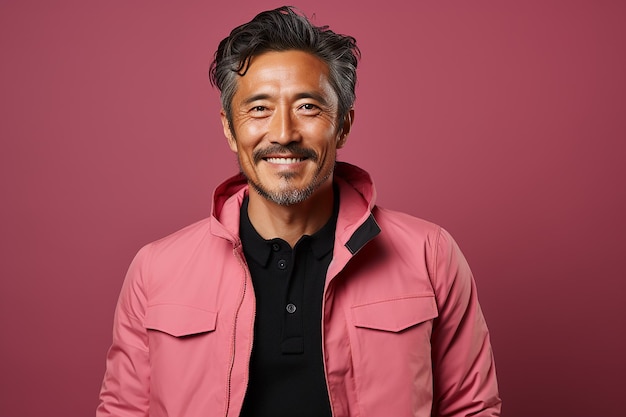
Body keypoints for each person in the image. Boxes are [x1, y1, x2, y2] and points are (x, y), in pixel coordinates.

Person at [97, 6, 501, 417]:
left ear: (343, 124)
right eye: (259, 109)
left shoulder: (429, 253)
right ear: (229, 128)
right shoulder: (156, 270)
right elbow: (123, 410)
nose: (284, 133)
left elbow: (472, 408)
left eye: (308, 106)